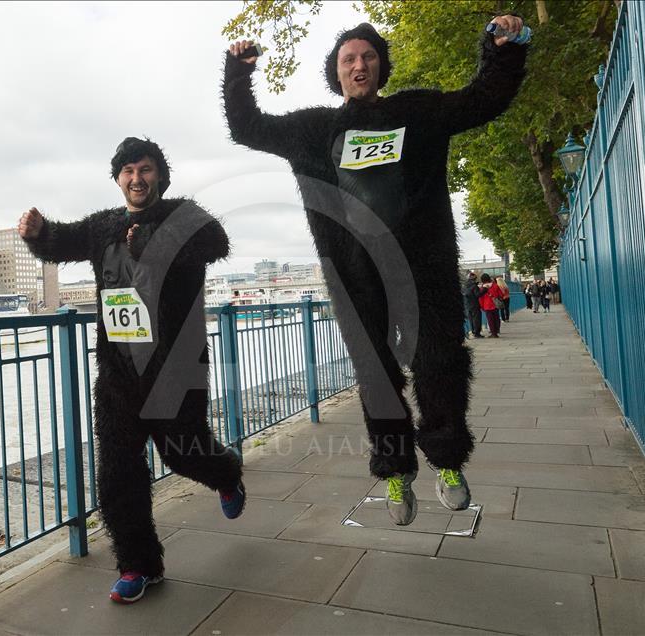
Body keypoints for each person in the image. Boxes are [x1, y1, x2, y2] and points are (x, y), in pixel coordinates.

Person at [223, 16, 527, 524]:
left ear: (382, 67)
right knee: (376, 374)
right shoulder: (311, 130)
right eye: (348, 59)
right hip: (354, 276)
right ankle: (395, 469)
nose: (359, 64)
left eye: (367, 56)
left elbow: (483, 99)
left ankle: (448, 460)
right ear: (336, 72)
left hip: (423, 267)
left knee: (439, 362)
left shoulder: (418, 113)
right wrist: (238, 71)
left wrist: (503, 47)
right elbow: (246, 126)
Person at [18, 137, 245, 604]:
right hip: (118, 370)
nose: (136, 179)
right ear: (117, 178)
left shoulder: (184, 215)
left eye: (145, 169)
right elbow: (61, 241)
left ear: (160, 175)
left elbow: (216, 242)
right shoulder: (103, 226)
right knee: (117, 471)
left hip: (176, 367)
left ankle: (225, 473)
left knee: (183, 453)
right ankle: (138, 565)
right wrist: (38, 233)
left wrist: (151, 242)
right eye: (128, 171)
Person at [461, 270, 485, 338]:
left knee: (471, 319)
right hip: (474, 304)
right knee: (476, 319)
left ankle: (473, 331)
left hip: (467, 305)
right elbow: (477, 295)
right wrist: (484, 290)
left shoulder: (464, 286)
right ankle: (477, 333)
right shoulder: (474, 286)